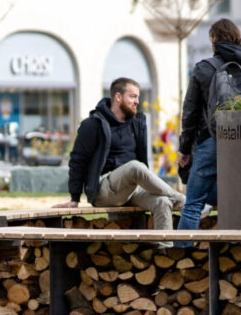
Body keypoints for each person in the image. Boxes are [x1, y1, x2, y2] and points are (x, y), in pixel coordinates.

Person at [54, 78, 185, 243]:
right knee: (135, 167)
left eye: (138, 97)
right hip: (103, 189)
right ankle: (183, 201)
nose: (137, 101)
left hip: (131, 188)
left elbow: (142, 158)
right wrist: (74, 198)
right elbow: (78, 161)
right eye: (132, 96)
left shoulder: (137, 123)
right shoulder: (93, 124)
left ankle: (163, 250)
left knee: (163, 202)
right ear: (118, 97)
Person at [176, 19, 241, 242]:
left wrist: (185, 148)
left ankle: (180, 255)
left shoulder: (203, 68)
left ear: (213, 39)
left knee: (193, 204)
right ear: (238, 38)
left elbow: (190, 113)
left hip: (212, 140)